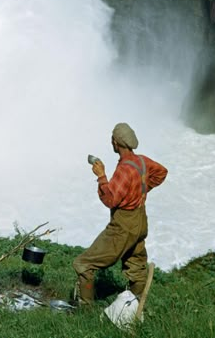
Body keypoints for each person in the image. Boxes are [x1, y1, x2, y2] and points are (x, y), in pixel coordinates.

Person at [73, 122, 167, 305]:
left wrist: (101, 176)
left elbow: (110, 200)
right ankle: (132, 309)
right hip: (140, 221)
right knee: (137, 268)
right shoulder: (141, 161)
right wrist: (141, 189)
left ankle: (84, 311)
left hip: (123, 226)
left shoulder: (124, 169)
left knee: (83, 264)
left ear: (116, 143)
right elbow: (161, 173)